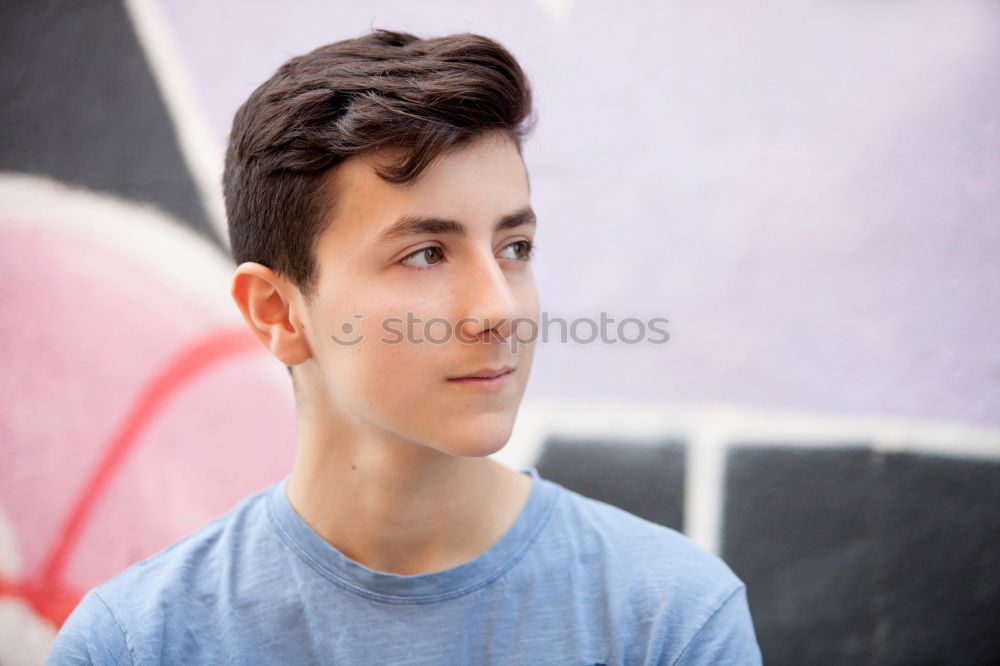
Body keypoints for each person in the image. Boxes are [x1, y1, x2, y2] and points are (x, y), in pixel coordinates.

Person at [47, 28, 762, 664]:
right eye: (426, 254)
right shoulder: (137, 643)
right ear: (278, 312)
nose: (499, 309)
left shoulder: (668, 622)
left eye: (514, 246)